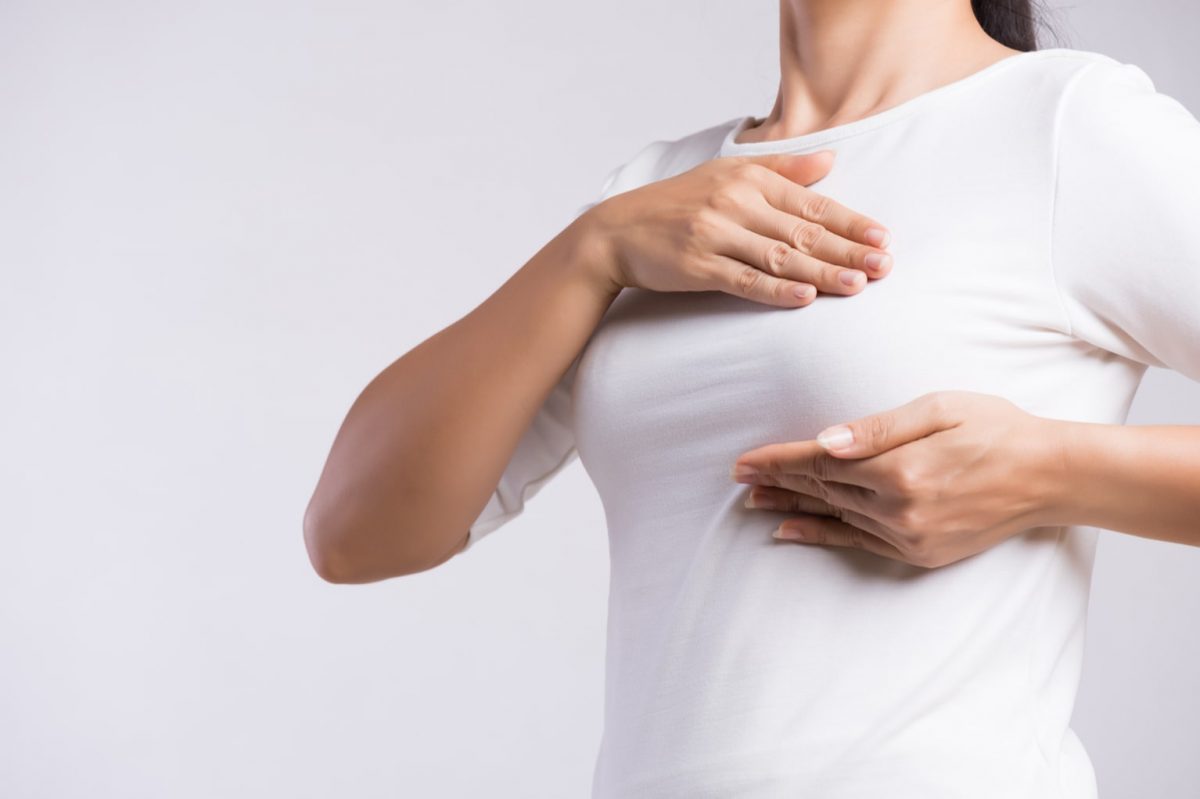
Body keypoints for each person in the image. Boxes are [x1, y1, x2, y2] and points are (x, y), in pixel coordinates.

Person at [303, 1, 1200, 795]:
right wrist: (593, 248)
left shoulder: (1066, 126)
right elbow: (356, 530)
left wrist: (1052, 468)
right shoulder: (659, 195)